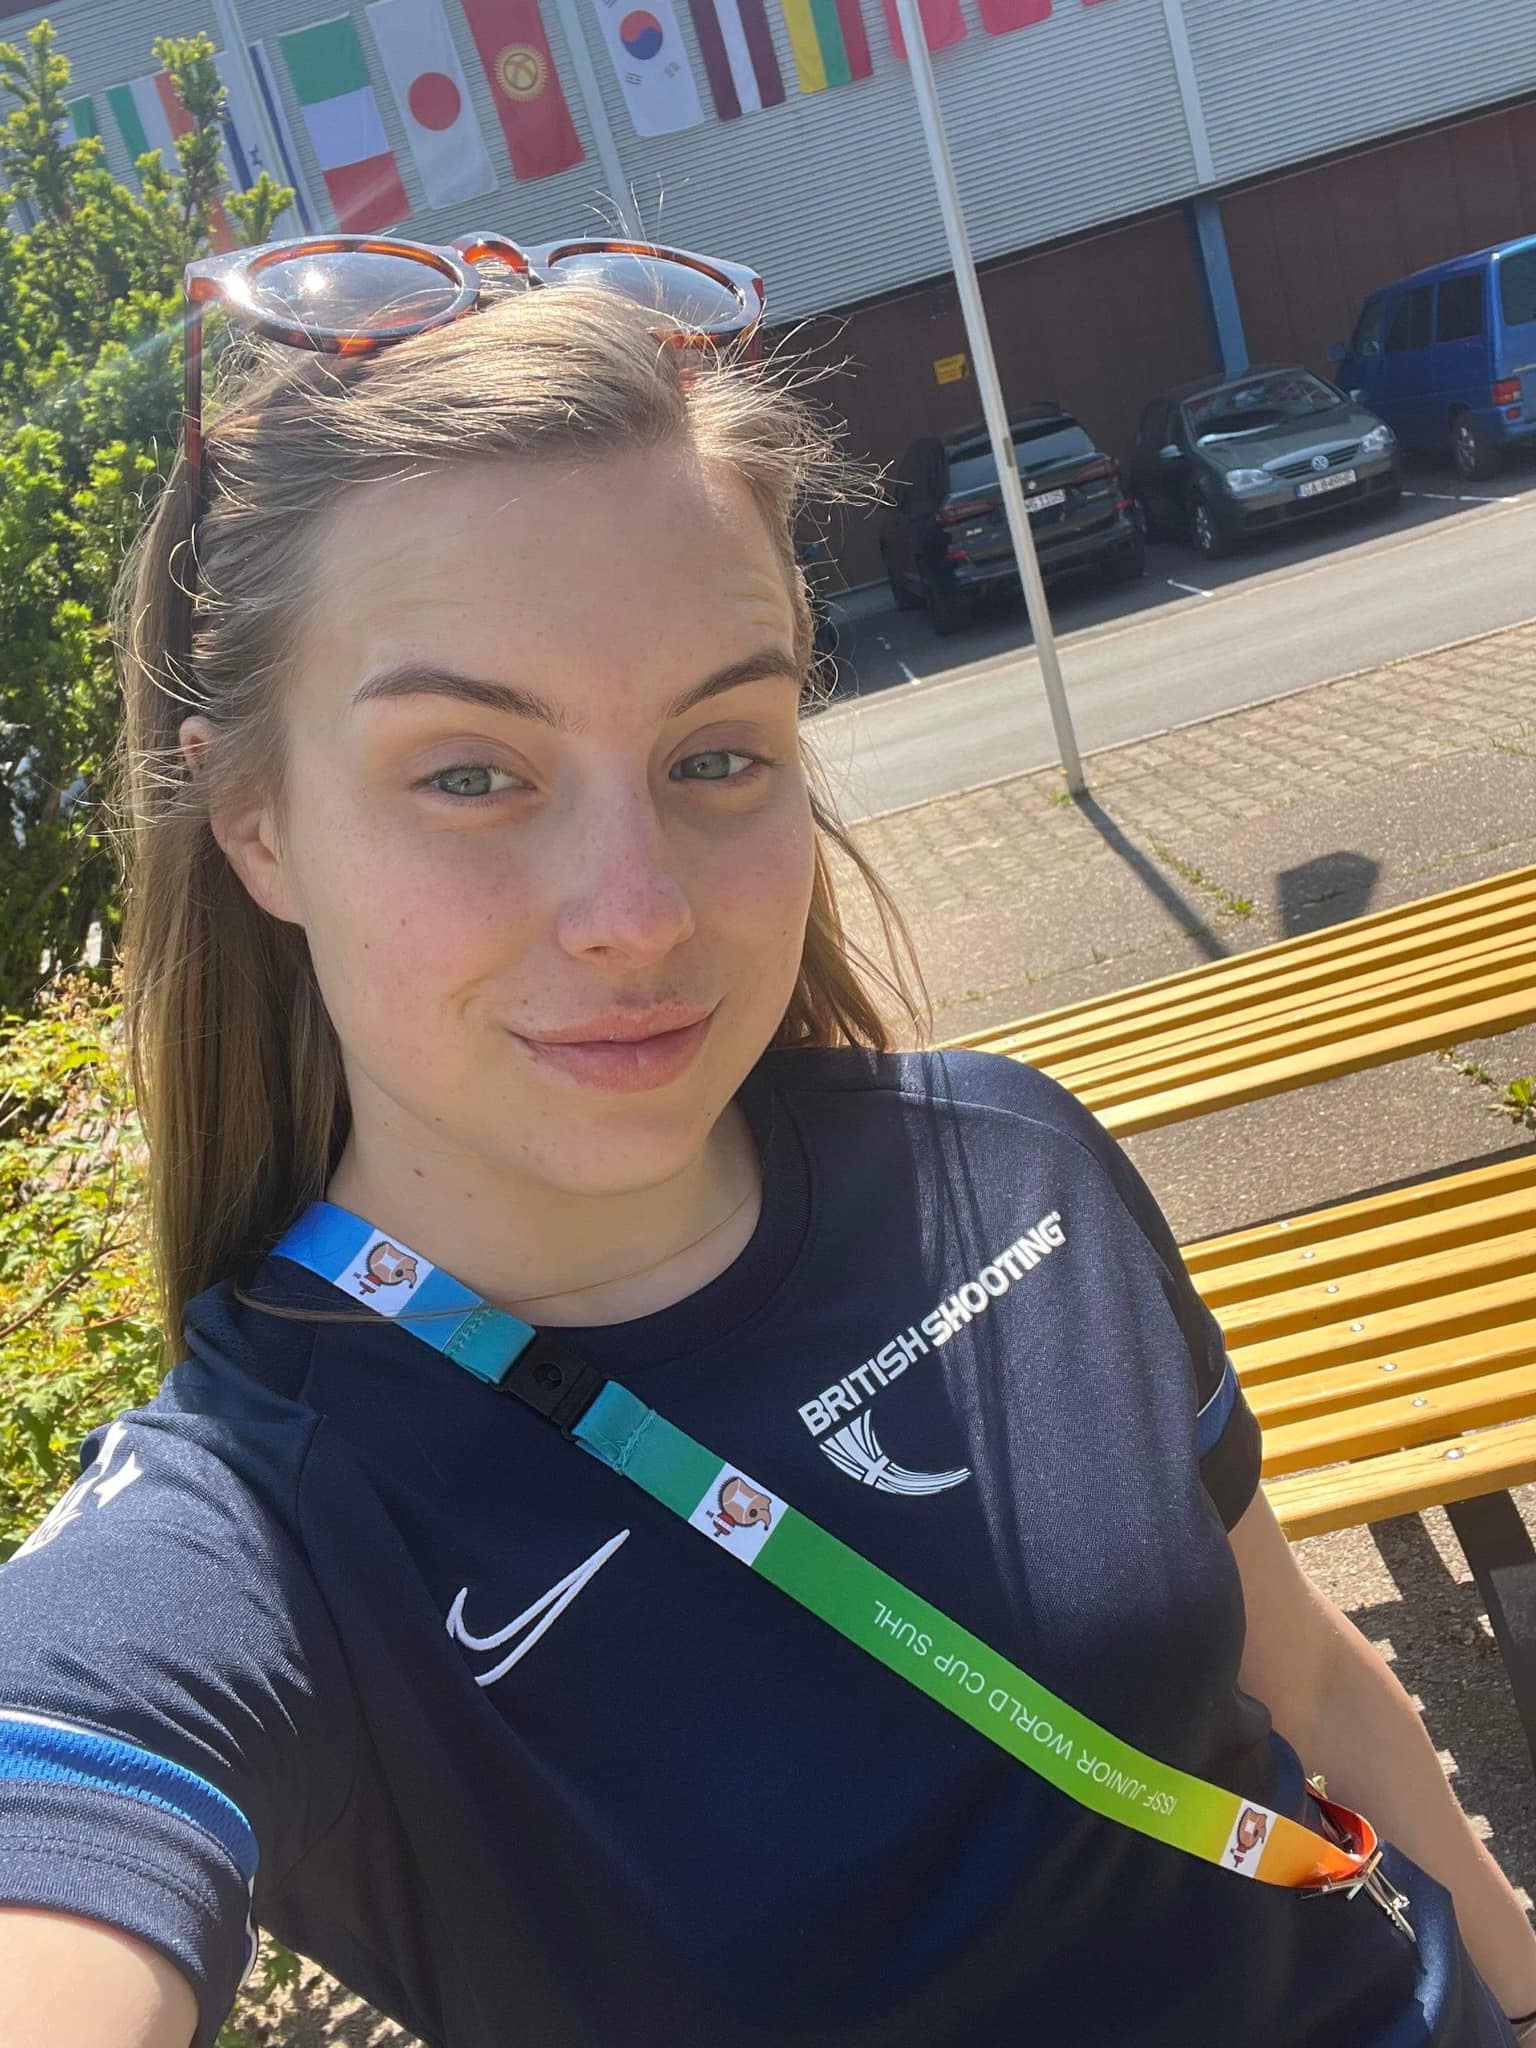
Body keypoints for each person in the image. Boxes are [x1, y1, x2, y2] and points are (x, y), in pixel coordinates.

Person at [0, 233, 1533, 2048]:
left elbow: (1316, 1693)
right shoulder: (253, 1531)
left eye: (718, 751)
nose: (636, 913)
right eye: (471, 773)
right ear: (256, 824)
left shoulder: (1009, 1158)